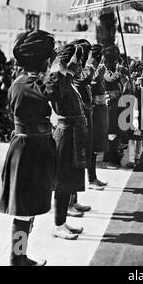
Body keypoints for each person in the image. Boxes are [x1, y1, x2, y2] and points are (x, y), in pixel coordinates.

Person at [0, 30, 56, 266]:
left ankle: (20, 256)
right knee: (23, 213)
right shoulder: (26, 84)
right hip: (27, 152)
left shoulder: (29, 82)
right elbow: (53, 92)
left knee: (28, 209)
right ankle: (17, 258)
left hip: (34, 150)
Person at [50, 43, 88, 240]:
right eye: (77, 60)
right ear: (69, 60)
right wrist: (69, 73)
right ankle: (57, 225)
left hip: (74, 135)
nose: (80, 64)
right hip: (66, 135)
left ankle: (62, 222)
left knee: (69, 181)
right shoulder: (59, 77)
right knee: (63, 183)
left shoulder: (68, 79)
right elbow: (58, 98)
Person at [68, 39, 94, 216]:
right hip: (70, 129)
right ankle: (67, 205)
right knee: (69, 168)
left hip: (80, 125)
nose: (82, 60)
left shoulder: (74, 76)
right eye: (81, 56)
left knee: (77, 166)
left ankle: (73, 200)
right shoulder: (69, 77)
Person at [88, 44, 110, 188]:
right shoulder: (90, 69)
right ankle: (91, 179)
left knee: (95, 148)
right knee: (92, 147)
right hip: (94, 112)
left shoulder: (98, 68)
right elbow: (89, 85)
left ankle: (93, 177)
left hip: (101, 110)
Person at [103, 45, 123, 168]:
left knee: (116, 130)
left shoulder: (111, 67)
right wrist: (119, 70)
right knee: (112, 131)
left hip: (116, 102)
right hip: (110, 103)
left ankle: (111, 155)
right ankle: (111, 158)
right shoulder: (106, 69)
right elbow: (112, 79)